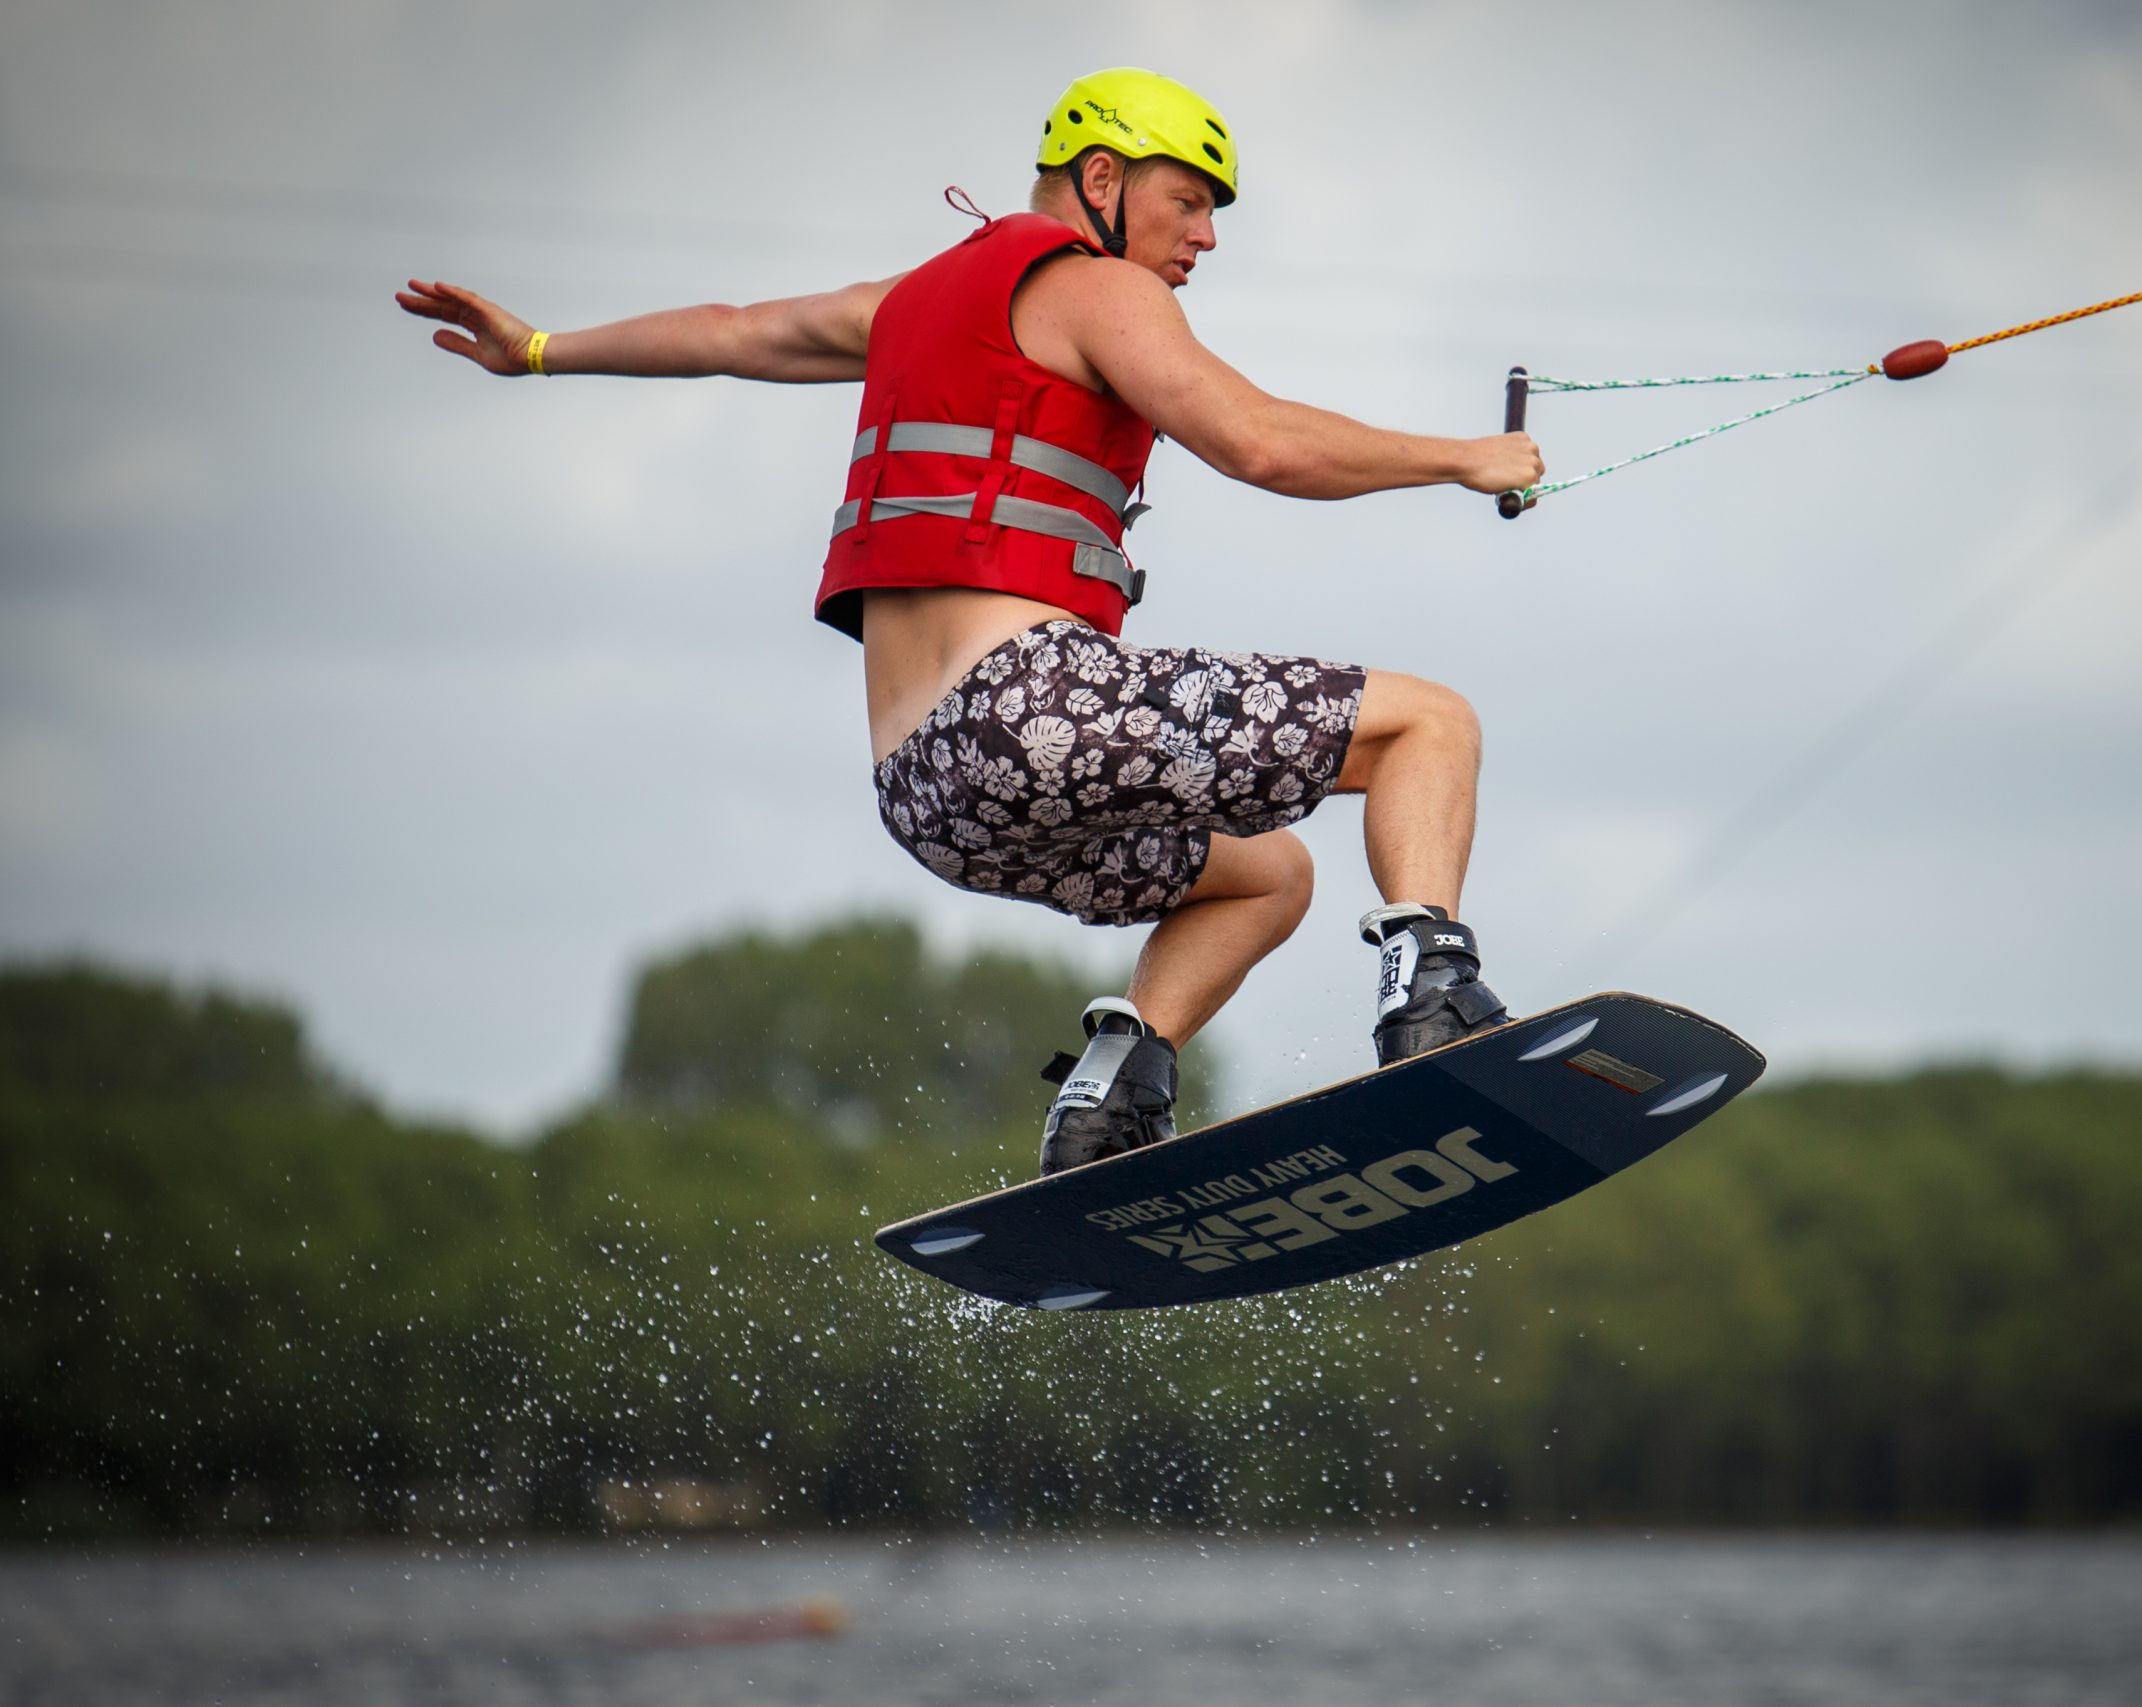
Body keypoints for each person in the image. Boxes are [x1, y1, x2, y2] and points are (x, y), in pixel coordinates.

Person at [396, 67, 1541, 1175]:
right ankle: (1431, 1005)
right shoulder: (1097, 288)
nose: (1205, 237)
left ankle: (1108, 1103)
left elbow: (736, 333)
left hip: (929, 797)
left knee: (1268, 877)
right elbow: (1260, 443)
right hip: (1029, 714)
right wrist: (1460, 457)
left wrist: (538, 351)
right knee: (1429, 726)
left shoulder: (904, 303)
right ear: (1103, 178)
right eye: (1188, 201)